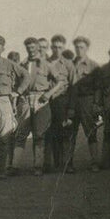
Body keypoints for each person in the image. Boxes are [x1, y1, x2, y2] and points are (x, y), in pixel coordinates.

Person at [12, 37, 64, 175]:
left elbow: (60, 81)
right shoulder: (22, 64)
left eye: (33, 47)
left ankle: (38, 167)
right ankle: (14, 166)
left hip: (41, 100)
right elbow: (16, 82)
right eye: (28, 48)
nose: (31, 50)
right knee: (21, 133)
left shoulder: (47, 64)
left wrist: (49, 93)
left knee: (40, 134)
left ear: (37, 48)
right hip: (25, 99)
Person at [0, 36, 23, 177]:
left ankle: (2, 169)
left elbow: (26, 76)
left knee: (4, 137)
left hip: (3, 101)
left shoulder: (8, 64)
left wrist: (18, 92)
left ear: (3, 49)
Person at [64, 36, 101, 172]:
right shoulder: (69, 64)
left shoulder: (94, 66)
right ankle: (68, 164)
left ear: (87, 48)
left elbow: (98, 87)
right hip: (71, 101)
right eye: (77, 47)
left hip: (87, 100)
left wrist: (96, 103)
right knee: (70, 132)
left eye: (82, 47)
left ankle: (94, 162)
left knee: (91, 132)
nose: (79, 50)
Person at [46, 34, 76, 172]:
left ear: (63, 48)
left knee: (65, 133)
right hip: (47, 102)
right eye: (55, 47)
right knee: (50, 133)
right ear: (51, 47)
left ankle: (67, 164)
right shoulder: (45, 62)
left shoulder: (68, 64)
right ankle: (54, 163)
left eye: (60, 47)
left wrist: (71, 108)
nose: (57, 50)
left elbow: (74, 87)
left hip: (63, 102)